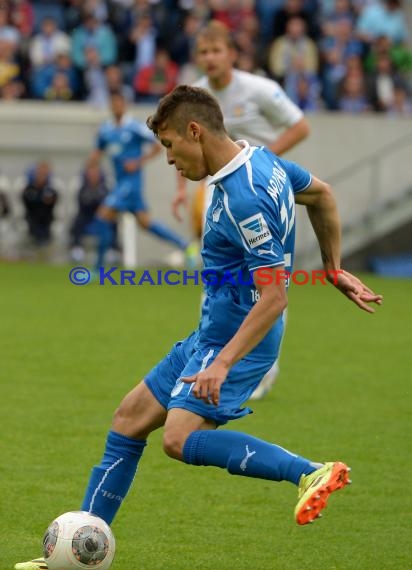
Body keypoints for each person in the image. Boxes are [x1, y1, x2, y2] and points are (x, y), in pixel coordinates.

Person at [16, 85, 382, 570]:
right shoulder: (261, 161)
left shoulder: (242, 198)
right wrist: (332, 267)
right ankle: (78, 548)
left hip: (237, 340)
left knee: (177, 438)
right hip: (212, 333)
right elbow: (322, 194)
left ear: (195, 131)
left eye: (169, 145)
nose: (167, 159)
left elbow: (275, 296)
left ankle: (311, 472)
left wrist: (224, 361)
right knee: (128, 419)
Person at [173, 20, 311, 399]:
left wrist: (264, 165)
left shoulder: (260, 89)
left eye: (217, 50)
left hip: (261, 195)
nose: (210, 58)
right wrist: (180, 191)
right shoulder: (196, 95)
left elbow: (300, 126)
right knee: (215, 274)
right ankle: (209, 353)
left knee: (268, 282)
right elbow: (180, 143)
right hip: (217, 192)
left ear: (232, 53)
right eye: (203, 52)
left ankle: (266, 364)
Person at [89, 90, 189, 272]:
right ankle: (185, 246)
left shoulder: (134, 127)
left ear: (124, 104)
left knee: (102, 216)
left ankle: (98, 268)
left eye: (119, 102)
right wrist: (92, 164)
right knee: (146, 223)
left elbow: (157, 146)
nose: (116, 106)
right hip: (120, 182)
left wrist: (138, 162)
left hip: (131, 184)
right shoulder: (106, 130)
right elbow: (98, 151)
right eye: (113, 103)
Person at [21, 161, 58, 246]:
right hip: (32, 216)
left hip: (47, 217)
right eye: (39, 173)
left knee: (46, 226)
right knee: (34, 226)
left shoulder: (50, 189)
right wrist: (39, 199)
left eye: (44, 174)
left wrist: (49, 201)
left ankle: (44, 243)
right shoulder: (29, 189)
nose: (41, 176)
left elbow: (54, 202)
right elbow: (26, 202)